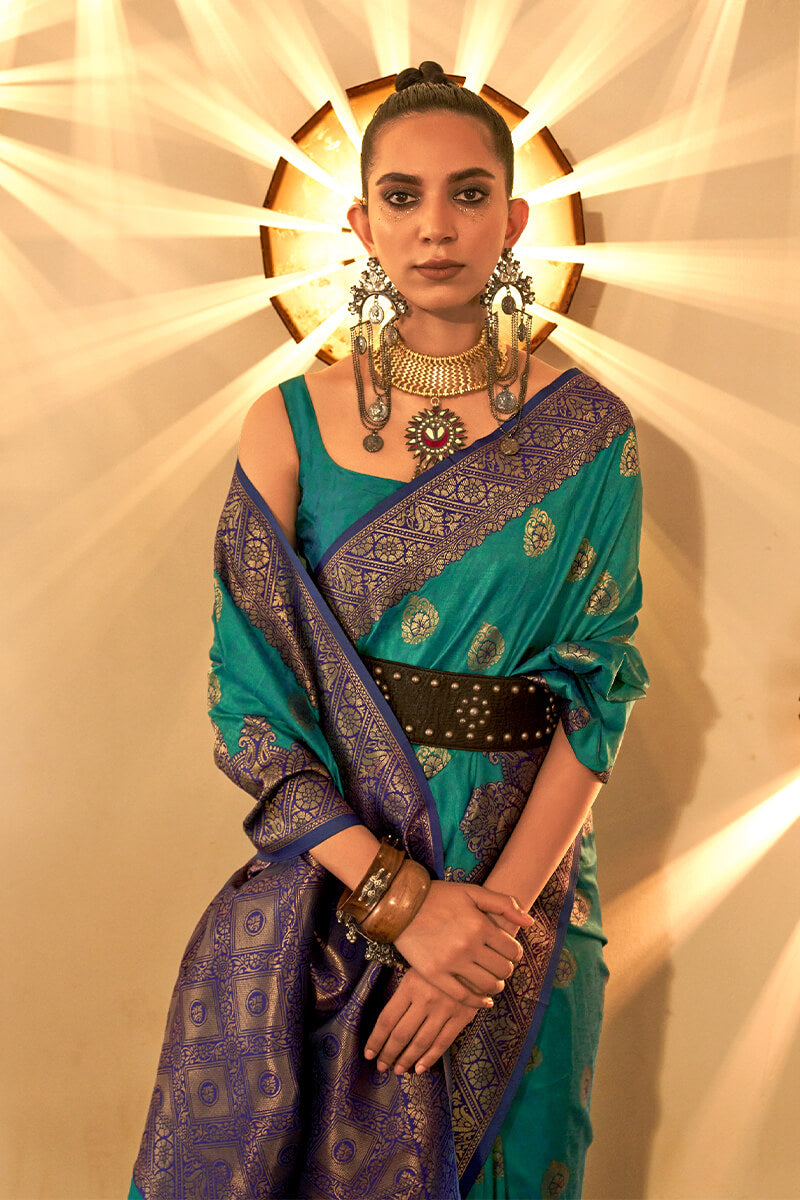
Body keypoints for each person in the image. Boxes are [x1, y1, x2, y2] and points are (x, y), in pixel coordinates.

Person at [131, 62, 648, 1200]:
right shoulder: (286, 422)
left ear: (513, 220)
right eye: (402, 199)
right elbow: (249, 703)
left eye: (468, 194)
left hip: (527, 899)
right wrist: (401, 904)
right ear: (362, 226)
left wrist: (484, 942)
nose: (435, 228)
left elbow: (599, 689)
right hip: (335, 885)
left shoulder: (589, 433)